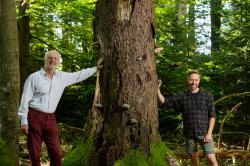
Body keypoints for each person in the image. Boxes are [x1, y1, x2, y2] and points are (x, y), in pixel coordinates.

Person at [18, 50, 101, 166]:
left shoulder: (62, 77)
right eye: (50, 58)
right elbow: (25, 99)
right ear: (45, 60)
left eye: (55, 58)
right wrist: (23, 121)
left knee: (56, 152)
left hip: (51, 118)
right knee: (34, 153)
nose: (52, 60)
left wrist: (95, 68)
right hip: (34, 116)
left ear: (58, 62)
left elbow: (78, 75)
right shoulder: (34, 77)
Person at [158, 70, 218, 166]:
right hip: (189, 133)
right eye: (191, 80)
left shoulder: (207, 95)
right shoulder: (182, 95)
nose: (194, 82)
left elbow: (212, 116)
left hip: (205, 132)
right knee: (193, 157)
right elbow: (165, 102)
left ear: (199, 80)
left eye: (196, 80)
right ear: (187, 80)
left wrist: (209, 133)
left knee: (211, 159)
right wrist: (157, 89)